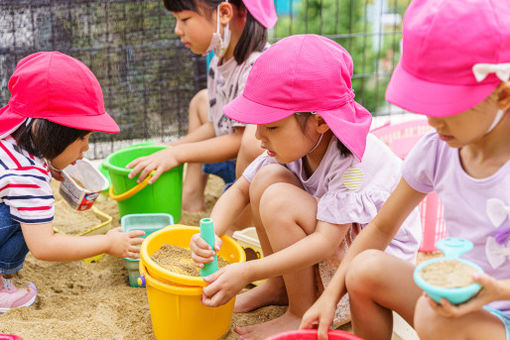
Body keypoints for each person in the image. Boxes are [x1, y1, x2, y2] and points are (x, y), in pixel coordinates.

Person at [300, 1, 510, 339]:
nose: (431, 119)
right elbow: (381, 227)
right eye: (425, 103)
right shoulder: (437, 149)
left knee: (435, 319)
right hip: (456, 301)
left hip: (500, 312)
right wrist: (330, 294)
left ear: (502, 94)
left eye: (445, 105)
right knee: (364, 269)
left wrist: (498, 291)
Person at [189, 34, 423, 339]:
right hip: (334, 239)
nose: (259, 136)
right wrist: (211, 233)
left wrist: (249, 271)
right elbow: (240, 190)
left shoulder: (351, 159)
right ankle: (279, 287)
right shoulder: (295, 145)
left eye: (272, 126)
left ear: (320, 122)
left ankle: (300, 312)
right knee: (264, 180)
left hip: (364, 268)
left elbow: (326, 242)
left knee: (278, 200)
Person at [0, 52, 144, 312]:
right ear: (48, 132)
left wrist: (50, 166)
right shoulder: (27, 176)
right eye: (82, 138)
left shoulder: (10, 136)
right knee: (25, 220)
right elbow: (45, 246)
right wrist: (107, 244)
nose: (86, 148)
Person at [126, 0, 277, 215]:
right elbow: (214, 126)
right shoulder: (218, 61)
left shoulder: (256, 66)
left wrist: (178, 155)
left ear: (224, 12)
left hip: (256, 169)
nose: (177, 30)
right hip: (229, 160)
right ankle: (192, 200)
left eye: (184, 19)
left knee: (251, 144)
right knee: (201, 100)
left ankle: (239, 224)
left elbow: (240, 141)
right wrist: (168, 149)